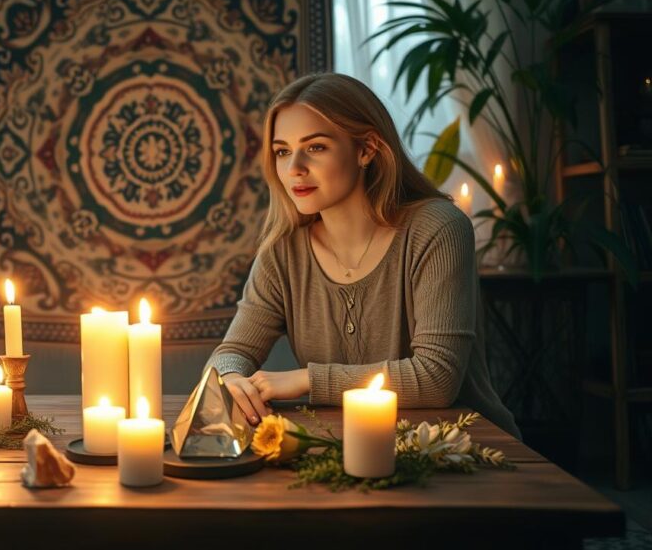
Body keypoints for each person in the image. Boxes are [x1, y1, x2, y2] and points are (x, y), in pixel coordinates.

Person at [205, 72, 519, 437]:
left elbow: (437, 378)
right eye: (282, 151)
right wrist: (229, 377)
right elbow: (231, 353)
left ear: (367, 149)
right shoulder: (282, 252)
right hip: (347, 449)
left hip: (466, 450)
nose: (294, 169)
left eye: (316, 147)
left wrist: (308, 379)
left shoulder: (438, 229)